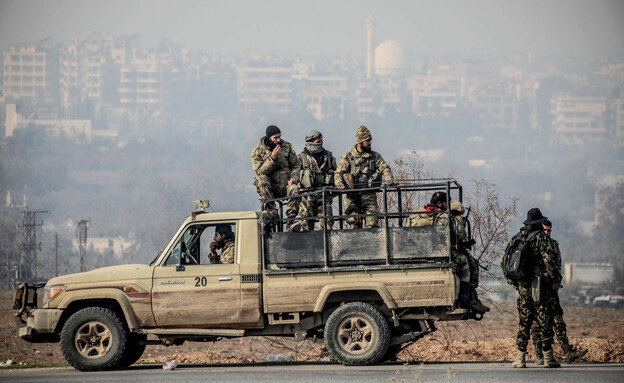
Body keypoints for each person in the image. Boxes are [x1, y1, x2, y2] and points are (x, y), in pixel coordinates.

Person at [406, 193, 482, 312]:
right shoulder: (445, 216)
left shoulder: (415, 213)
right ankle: (464, 298)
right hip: (440, 254)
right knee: (465, 262)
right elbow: (459, 236)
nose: (448, 206)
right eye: (446, 203)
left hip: (416, 254)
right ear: (440, 203)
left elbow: (406, 233)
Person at [505, 208, 560, 368]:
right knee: (544, 320)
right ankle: (548, 358)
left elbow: (505, 261)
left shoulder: (517, 237)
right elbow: (550, 261)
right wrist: (554, 280)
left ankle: (520, 359)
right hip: (539, 287)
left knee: (524, 322)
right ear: (539, 223)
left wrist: (512, 281)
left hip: (522, 286)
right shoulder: (542, 238)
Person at [530, 220, 588, 365]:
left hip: (551, 288)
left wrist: (557, 280)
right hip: (538, 288)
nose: (547, 233)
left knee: (558, 319)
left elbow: (557, 264)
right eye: (545, 230)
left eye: (549, 230)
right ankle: (539, 354)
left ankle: (567, 351)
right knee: (538, 321)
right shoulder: (534, 243)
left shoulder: (553, 244)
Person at [334, 125, 395, 229]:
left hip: (369, 196)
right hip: (353, 197)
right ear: (360, 142)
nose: (370, 143)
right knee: (354, 225)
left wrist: (390, 180)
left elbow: (385, 168)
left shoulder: (374, 156)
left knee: (372, 224)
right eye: (367, 140)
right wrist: (339, 184)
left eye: (370, 140)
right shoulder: (348, 157)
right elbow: (338, 173)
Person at [251, 125, 302, 232]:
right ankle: (273, 211)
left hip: (286, 185)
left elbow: (296, 165)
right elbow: (259, 171)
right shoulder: (258, 151)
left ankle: (290, 222)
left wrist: (294, 178)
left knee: (295, 189)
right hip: (271, 188)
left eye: (279, 137)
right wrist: (272, 158)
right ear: (269, 137)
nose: (278, 140)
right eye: (275, 138)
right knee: (261, 179)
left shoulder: (287, 146)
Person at [450, 200, 489, 313]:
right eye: (460, 212)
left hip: (448, 252)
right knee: (470, 264)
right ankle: (467, 298)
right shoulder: (455, 220)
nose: (462, 215)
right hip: (451, 253)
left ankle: (470, 298)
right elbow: (461, 236)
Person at [298, 130, 337, 231]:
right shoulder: (301, 158)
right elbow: (295, 175)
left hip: (324, 196)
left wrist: (337, 185)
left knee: (327, 225)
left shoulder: (328, 156)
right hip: (307, 198)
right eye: (317, 140)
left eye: (321, 140)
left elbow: (337, 173)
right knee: (306, 225)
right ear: (310, 141)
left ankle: (328, 246)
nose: (320, 142)